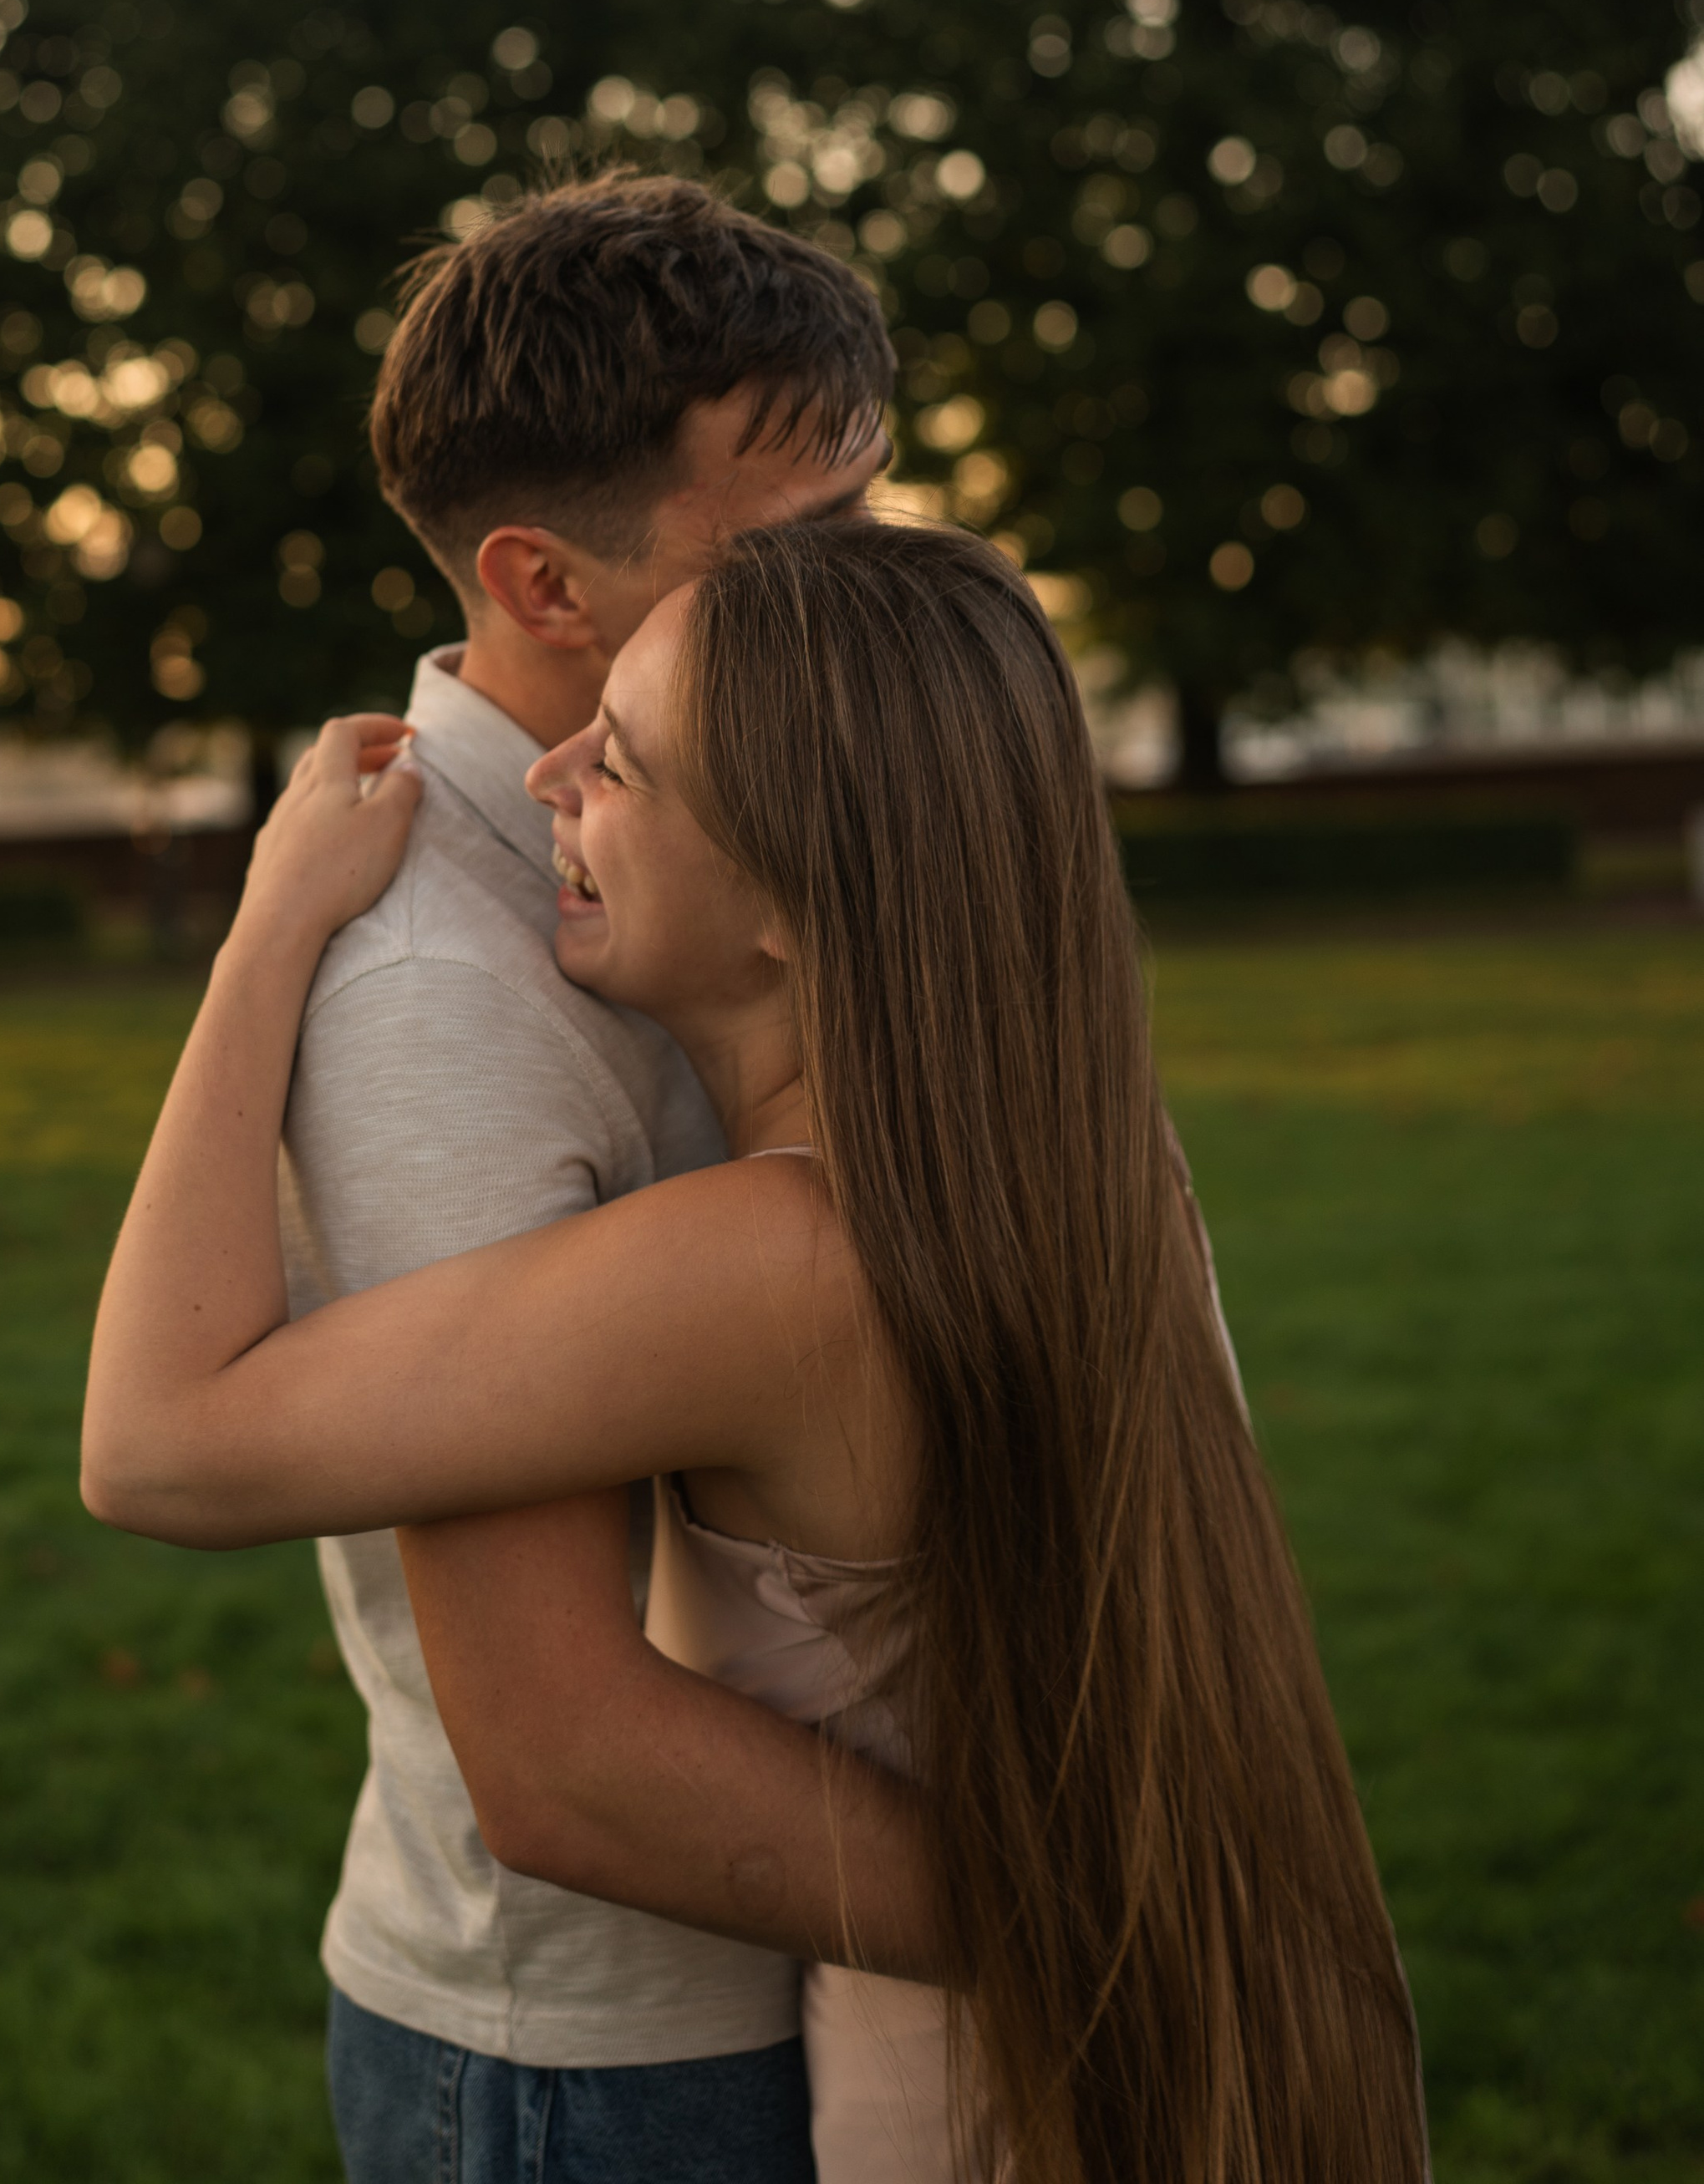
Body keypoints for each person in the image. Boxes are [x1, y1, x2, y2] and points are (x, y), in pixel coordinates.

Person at [85, 510, 1429, 2182]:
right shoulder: (1076, 1157)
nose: (545, 775)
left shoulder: (775, 1265)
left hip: (981, 2109)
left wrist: (264, 937)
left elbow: (153, 1441)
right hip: (1199, 2053)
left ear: (795, 901)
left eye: (627, 767)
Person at [125, 173, 921, 2182]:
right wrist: (1117, 1911)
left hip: (810, 1978)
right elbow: (560, 1749)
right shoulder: (437, 990)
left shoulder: (735, 846)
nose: (870, 585)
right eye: (801, 545)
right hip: (613, 2057)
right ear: (546, 584)